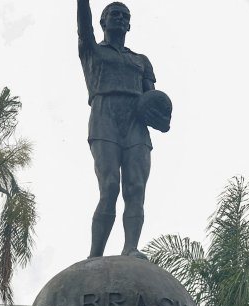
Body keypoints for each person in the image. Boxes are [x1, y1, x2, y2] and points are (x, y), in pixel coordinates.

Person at [76, 0, 160, 258]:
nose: (121, 18)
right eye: (115, 14)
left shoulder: (141, 61)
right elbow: (83, 26)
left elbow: (152, 99)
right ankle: (95, 255)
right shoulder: (92, 49)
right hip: (105, 116)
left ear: (130, 24)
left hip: (135, 122)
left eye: (125, 15)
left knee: (135, 187)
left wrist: (160, 113)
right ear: (103, 22)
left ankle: (130, 247)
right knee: (110, 186)